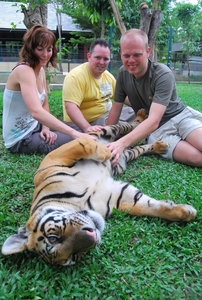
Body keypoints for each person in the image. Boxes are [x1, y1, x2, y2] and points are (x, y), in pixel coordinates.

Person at [106, 28, 202, 167]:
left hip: (180, 117)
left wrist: (121, 143)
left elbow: (153, 120)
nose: (131, 60)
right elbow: (116, 108)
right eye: (126, 55)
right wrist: (107, 137)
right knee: (197, 158)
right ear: (121, 54)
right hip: (157, 132)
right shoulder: (122, 74)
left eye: (137, 55)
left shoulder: (162, 73)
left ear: (148, 52)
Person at [3, 25, 96, 155]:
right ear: (30, 49)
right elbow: (36, 111)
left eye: (49, 49)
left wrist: (45, 127)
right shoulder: (24, 71)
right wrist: (74, 134)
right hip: (21, 138)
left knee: (83, 130)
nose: (45, 55)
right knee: (79, 139)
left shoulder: (40, 70)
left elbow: (44, 102)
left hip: (36, 126)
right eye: (40, 49)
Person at [62, 38, 135, 133]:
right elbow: (70, 107)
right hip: (87, 123)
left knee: (138, 112)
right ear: (89, 56)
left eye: (106, 59)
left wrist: (144, 104)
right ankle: (122, 130)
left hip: (107, 116)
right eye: (98, 57)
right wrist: (87, 127)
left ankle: (123, 129)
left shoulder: (108, 76)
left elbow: (123, 97)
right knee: (118, 125)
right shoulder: (76, 76)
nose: (101, 62)